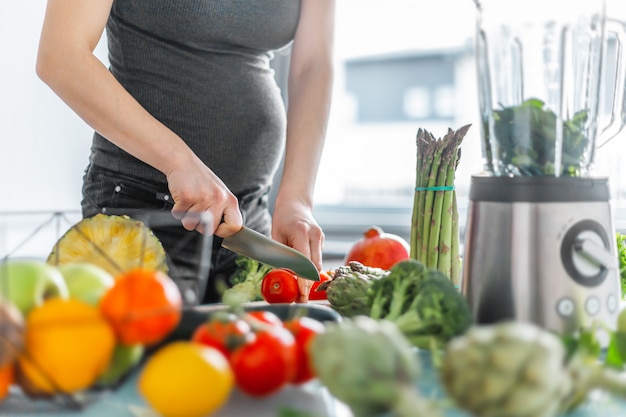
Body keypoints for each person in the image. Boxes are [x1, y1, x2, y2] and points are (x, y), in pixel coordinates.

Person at [36, 0, 335, 304]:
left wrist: (297, 199)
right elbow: (61, 55)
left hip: (247, 224)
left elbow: (313, 65)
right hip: (142, 212)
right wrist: (178, 161)